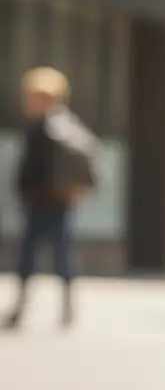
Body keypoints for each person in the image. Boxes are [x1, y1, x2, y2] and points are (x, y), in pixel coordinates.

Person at [2, 67, 97, 330]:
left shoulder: (54, 127)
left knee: (56, 255)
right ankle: (29, 308)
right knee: (36, 255)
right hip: (40, 202)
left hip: (53, 203)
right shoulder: (46, 126)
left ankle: (60, 308)